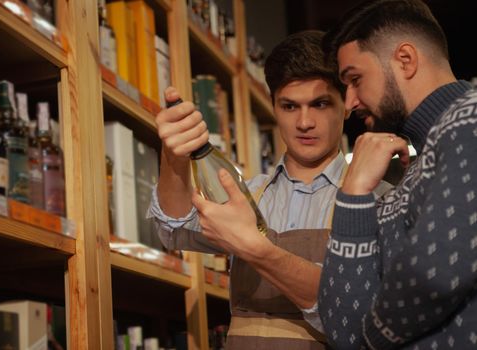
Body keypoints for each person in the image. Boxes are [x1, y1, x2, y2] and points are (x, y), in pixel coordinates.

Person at [149, 30, 387, 349]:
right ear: (273, 106)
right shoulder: (248, 193)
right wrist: (173, 156)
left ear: (345, 104)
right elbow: (173, 228)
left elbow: (359, 312)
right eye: (289, 106)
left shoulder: (377, 199)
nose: (304, 122)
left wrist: (254, 247)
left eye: (319, 104)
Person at [317, 0, 477, 349]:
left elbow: (436, 274)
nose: (350, 103)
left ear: (405, 60)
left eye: (355, 80)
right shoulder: (412, 171)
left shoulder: (470, 120)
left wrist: (369, 341)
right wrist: (354, 191)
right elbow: (340, 326)